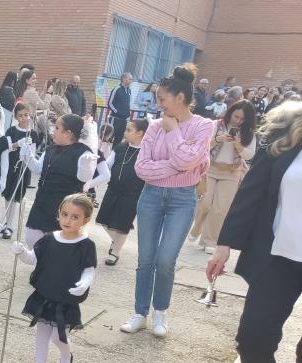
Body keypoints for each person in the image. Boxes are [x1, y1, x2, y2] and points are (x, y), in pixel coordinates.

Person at [206, 100, 302, 363]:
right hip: (278, 257)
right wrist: (225, 243)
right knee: (253, 337)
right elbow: (254, 190)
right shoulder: (287, 130)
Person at [120, 63, 214, 337]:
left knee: (165, 260)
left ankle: (160, 312)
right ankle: (140, 312)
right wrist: (180, 166)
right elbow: (142, 168)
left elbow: (187, 161)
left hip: (182, 200)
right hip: (150, 195)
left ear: (180, 97)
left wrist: (173, 133)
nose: (158, 103)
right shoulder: (153, 126)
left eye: (162, 98)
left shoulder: (203, 126)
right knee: (145, 259)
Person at [12, 193, 97, 363]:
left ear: (85, 220)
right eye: (64, 214)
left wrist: (84, 283)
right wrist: (22, 252)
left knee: (58, 337)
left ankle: (66, 356)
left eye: (74, 217)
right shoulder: (49, 239)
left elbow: (89, 270)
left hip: (65, 299)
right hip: (44, 295)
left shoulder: (86, 245)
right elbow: (33, 259)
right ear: (58, 213)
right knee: (41, 334)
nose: (67, 220)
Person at [19, 114, 99, 248]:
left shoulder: (83, 153)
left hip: (65, 207)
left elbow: (84, 178)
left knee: (58, 245)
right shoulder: (50, 149)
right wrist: (27, 155)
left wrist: (86, 165)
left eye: (56, 128)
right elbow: (38, 168)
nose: (52, 131)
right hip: (42, 201)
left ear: (68, 133)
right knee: (32, 237)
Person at [190, 100, 257, 253]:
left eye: (242, 119)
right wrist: (218, 139)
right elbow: (201, 145)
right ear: (230, 113)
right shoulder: (215, 125)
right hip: (210, 169)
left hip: (232, 172)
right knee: (204, 203)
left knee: (220, 209)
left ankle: (209, 240)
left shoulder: (248, 133)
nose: (238, 121)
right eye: (236, 116)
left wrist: (238, 146)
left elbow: (249, 155)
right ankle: (197, 228)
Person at [87, 118, 149, 265]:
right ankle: (117, 242)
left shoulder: (146, 152)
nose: (125, 132)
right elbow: (107, 165)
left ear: (140, 133)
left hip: (132, 194)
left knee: (122, 225)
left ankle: (115, 252)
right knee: (104, 220)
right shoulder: (120, 147)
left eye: (129, 130)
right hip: (113, 189)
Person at [0, 102, 40, 239]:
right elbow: (8, 148)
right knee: (8, 195)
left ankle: (9, 226)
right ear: (16, 117)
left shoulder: (33, 133)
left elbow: (32, 155)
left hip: (23, 168)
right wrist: (19, 143)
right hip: (11, 166)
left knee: (16, 197)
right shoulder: (11, 131)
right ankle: (6, 223)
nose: (24, 118)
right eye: (21, 115)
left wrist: (27, 149)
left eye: (26, 115)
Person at [108, 73, 133, 142]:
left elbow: (127, 104)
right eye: (130, 79)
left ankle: (115, 149)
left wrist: (128, 113)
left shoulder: (129, 90)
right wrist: (117, 112)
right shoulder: (117, 89)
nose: (131, 81)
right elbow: (110, 103)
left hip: (124, 120)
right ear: (124, 79)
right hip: (115, 118)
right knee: (109, 138)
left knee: (119, 140)